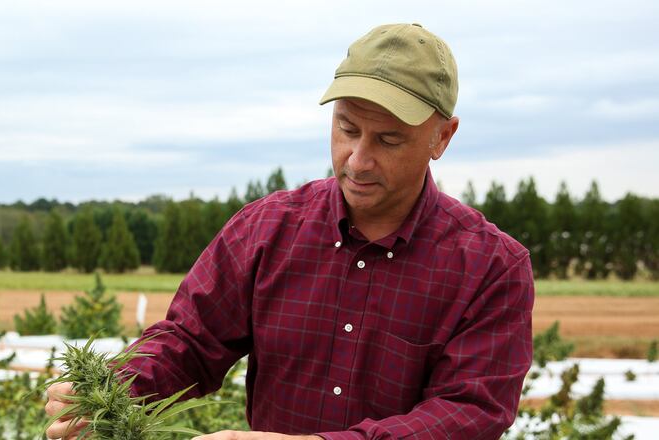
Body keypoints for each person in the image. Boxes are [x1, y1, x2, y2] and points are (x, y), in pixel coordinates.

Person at [46, 23, 534, 440]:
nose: (358, 161)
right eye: (346, 129)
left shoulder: (492, 268)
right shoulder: (266, 228)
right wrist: (105, 390)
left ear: (442, 137)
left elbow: (468, 414)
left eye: (388, 140)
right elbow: (189, 343)